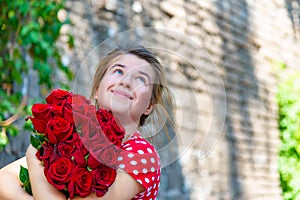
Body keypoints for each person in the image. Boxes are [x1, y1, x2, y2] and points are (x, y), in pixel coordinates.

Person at [0, 45, 175, 200]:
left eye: (141, 79)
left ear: (149, 106)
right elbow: (3, 179)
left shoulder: (141, 155)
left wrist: (34, 155)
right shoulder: (75, 134)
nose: (126, 82)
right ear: (97, 89)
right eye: (119, 71)